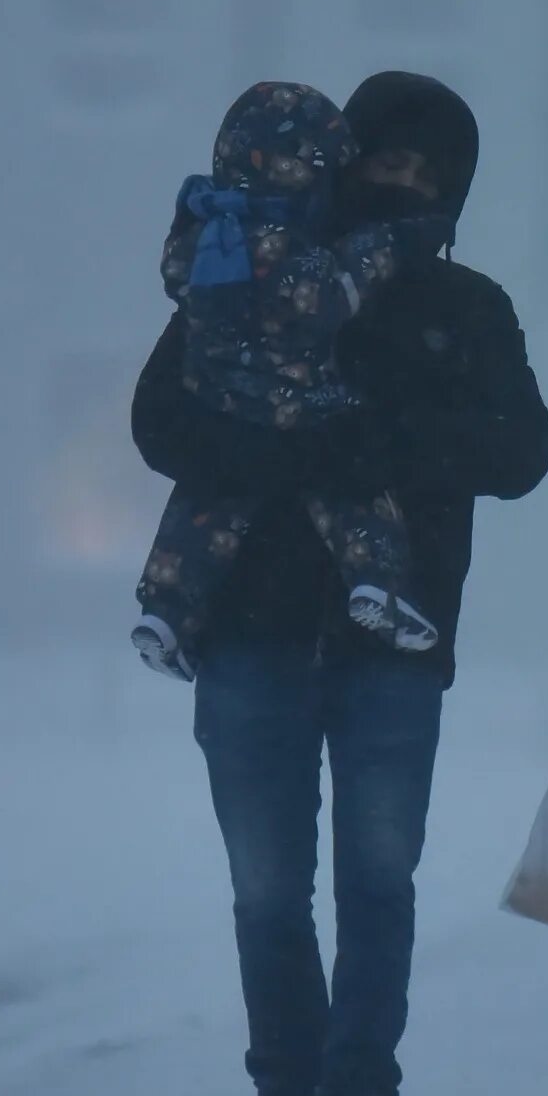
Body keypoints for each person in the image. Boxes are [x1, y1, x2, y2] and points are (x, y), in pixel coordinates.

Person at [131, 71, 548, 1096]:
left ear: (453, 190)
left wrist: (387, 446)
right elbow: (157, 417)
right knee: (266, 890)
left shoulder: (465, 309)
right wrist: (279, 457)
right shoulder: (251, 280)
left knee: (377, 881)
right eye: (383, 158)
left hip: (394, 639)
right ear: (343, 160)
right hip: (251, 632)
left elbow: (520, 452)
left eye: (425, 170)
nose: (398, 182)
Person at [134, 80, 455, 679]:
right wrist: (396, 241)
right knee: (351, 493)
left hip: (218, 396)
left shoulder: (202, 234)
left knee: (207, 507)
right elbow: (329, 292)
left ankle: (169, 605)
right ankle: (377, 584)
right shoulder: (286, 249)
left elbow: (182, 291)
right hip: (299, 396)